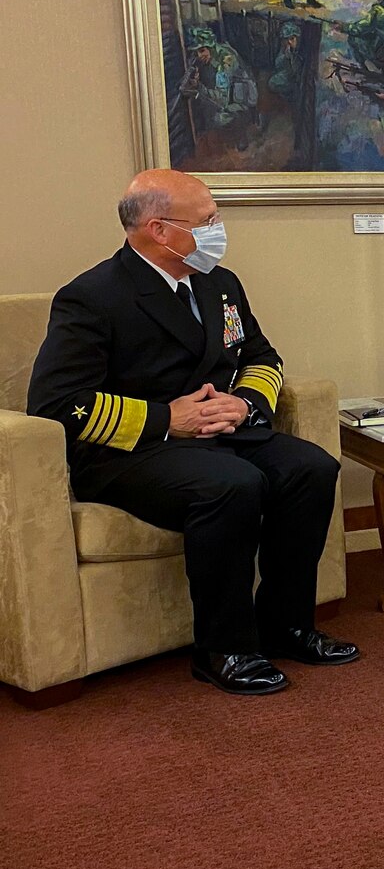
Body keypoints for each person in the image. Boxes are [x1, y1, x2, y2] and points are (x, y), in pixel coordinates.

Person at [27, 170, 359, 693]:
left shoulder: (218, 284)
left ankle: (286, 624)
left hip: (221, 434)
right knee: (231, 484)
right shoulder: (93, 296)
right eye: (207, 220)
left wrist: (243, 403)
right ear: (159, 230)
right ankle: (223, 648)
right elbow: (55, 403)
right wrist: (167, 419)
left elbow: (260, 357)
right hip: (132, 453)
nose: (217, 229)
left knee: (310, 468)